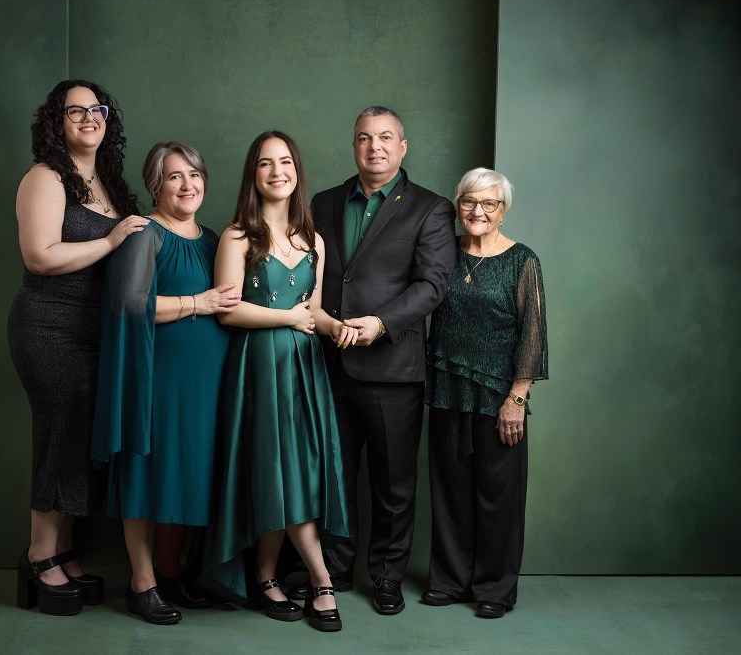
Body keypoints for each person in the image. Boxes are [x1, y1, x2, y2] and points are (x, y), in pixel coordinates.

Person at [303, 106, 457, 615]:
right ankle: (334, 570)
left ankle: (387, 576)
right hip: (328, 361)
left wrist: (382, 323)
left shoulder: (431, 209)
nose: (375, 147)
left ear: (403, 146)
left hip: (393, 367)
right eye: (365, 138)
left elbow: (432, 285)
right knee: (334, 476)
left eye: (386, 138)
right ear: (353, 146)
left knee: (392, 486)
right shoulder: (322, 202)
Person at [9, 79, 149, 617]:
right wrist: (112, 240)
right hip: (47, 325)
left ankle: (62, 550)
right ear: (57, 122)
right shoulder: (44, 178)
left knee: (78, 436)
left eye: (97, 109)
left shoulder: (109, 181)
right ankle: (39, 556)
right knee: (60, 432)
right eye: (76, 111)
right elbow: (40, 257)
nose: (89, 118)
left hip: (96, 331)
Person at [206, 132, 353, 632]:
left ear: (297, 171)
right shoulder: (237, 236)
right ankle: (321, 578)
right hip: (259, 364)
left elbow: (313, 310)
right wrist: (287, 321)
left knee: (293, 472)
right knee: (280, 466)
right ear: (253, 174)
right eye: (265, 164)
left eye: (285, 162)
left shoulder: (314, 238)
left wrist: (339, 328)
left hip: (306, 368)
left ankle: (266, 576)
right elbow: (228, 311)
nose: (277, 172)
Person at [91, 141, 240, 625]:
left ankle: (171, 570)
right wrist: (197, 303)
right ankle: (142, 582)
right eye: (174, 176)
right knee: (147, 472)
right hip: (159, 377)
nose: (186, 185)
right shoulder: (143, 234)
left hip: (206, 381)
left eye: (193, 175)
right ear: (156, 184)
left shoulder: (213, 239)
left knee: (183, 472)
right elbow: (130, 306)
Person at [421, 167, 548, 619]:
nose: (478, 212)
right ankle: (450, 581)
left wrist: (517, 398)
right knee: (450, 490)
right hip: (446, 388)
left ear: (503, 210)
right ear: (458, 205)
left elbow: (533, 334)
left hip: (498, 397)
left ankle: (495, 587)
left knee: (498, 495)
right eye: (470, 202)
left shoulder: (522, 260)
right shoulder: (441, 254)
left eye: (489, 204)